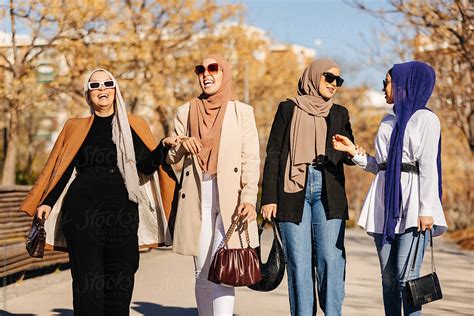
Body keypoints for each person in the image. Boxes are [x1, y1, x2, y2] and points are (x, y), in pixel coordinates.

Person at [20, 68, 180, 315]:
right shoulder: (76, 126)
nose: (102, 89)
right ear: (88, 94)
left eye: (107, 83)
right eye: (95, 86)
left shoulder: (134, 125)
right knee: (87, 282)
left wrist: (162, 147)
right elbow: (61, 169)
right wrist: (47, 202)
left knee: (122, 276)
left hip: (124, 213)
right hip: (82, 213)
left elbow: (145, 167)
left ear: (115, 90)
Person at [332, 61, 447, 316]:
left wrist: (427, 209)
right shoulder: (388, 120)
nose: (382, 87)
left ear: (405, 84)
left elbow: (428, 166)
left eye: (386, 82)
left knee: (408, 278)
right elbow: (382, 166)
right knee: (388, 278)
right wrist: (355, 153)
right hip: (384, 204)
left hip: (414, 205)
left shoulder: (426, 120)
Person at [166, 54, 260, 316]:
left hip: (233, 198)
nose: (206, 74)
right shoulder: (185, 111)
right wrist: (180, 143)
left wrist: (250, 197)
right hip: (198, 194)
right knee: (203, 270)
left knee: (223, 267)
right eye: (201, 70)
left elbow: (251, 158)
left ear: (224, 73)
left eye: (213, 69)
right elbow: (171, 158)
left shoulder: (243, 112)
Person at [260, 58, 354, 316]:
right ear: (313, 77)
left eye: (338, 80)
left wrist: (347, 150)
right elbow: (274, 154)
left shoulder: (339, 113)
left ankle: (332, 313)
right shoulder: (287, 108)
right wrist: (269, 197)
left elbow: (348, 153)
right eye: (329, 77)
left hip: (328, 191)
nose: (334, 84)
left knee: (330, 260)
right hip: (292, 191)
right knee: (299, 265)